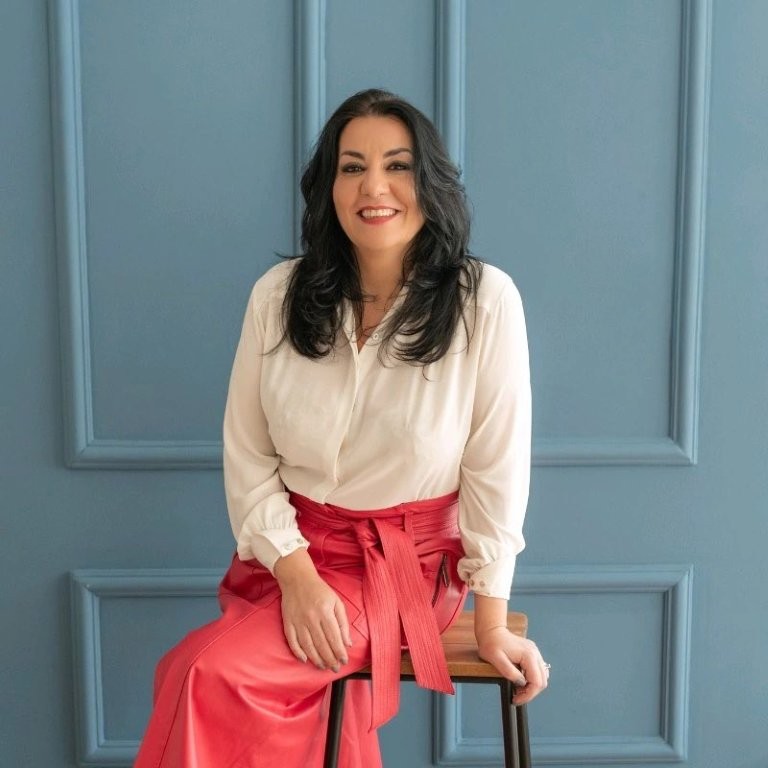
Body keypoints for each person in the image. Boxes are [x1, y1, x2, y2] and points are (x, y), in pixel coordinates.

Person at [134, 88, 548, 768]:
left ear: (431, 181)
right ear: (328, 186)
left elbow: (495, 475)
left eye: (397, 165)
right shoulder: (277, 295)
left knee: (205, 673)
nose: (373, 187)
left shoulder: (485, 301)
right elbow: (248, 455)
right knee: (187, 670)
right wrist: (297, 575)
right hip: (284, 559)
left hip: (404, 573)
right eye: (352, 167)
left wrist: (493, 625)